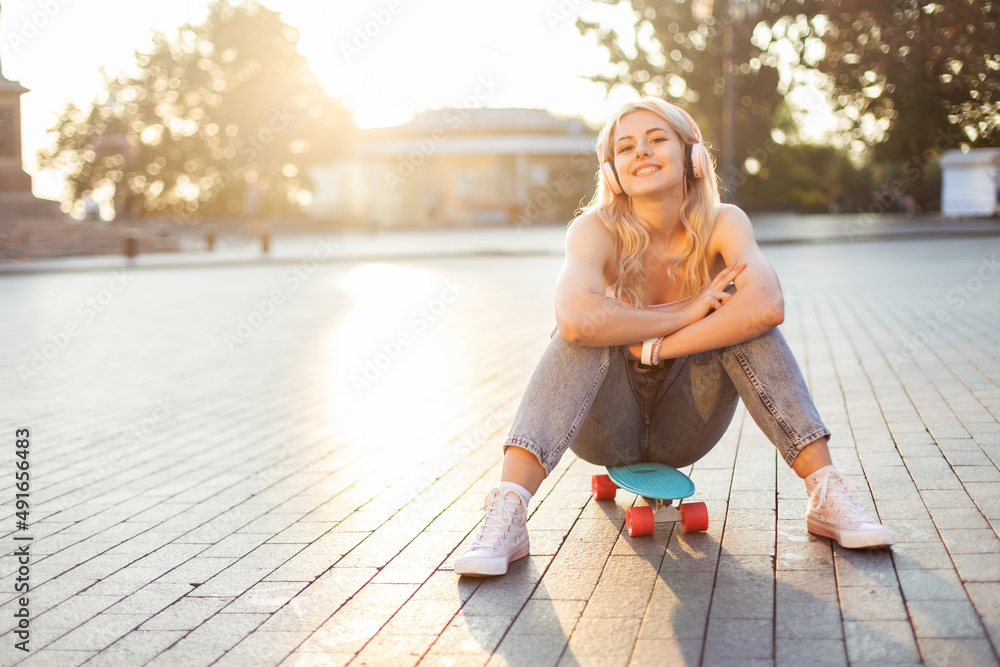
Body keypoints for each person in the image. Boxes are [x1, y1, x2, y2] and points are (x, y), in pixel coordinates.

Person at [452, 96, 893, 577]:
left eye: (657, 139)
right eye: (626, 147)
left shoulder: (725, 222)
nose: (641, 152)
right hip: (605, 428)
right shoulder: (594, 230)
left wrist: (660, 343)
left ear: (692, 156)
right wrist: (686, 309)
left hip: (688, 422)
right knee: (575, 333)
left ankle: (826, 494)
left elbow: (768, 304)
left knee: (746, 324)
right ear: (613, 170)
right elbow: (578, 318)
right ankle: (509, 512)